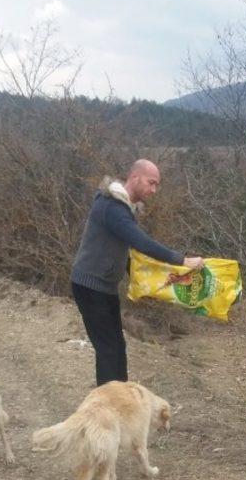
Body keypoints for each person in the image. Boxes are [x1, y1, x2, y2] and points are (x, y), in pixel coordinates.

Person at [71, 160, 203, 385]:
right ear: (135, 178)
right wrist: (182, 260)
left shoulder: (123, 208)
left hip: (103, 287)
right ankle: (112, 406)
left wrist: (146, 282)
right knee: (109, 349)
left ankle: (117, 399)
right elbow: (140, 242)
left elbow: (127, 253)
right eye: (151, 183)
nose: (154, 190)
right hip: (90, 286)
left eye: (157, 185)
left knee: (115, 346)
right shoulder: (111, 207)